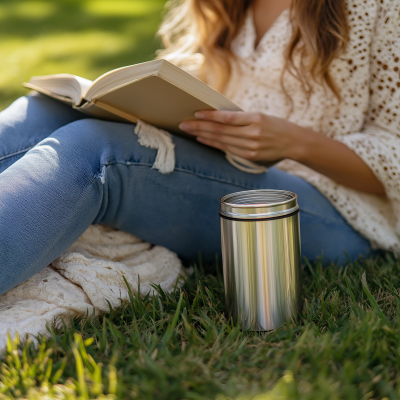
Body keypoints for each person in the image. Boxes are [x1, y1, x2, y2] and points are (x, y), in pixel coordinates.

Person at [0, 0, 398, 296]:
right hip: (228, 168)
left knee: (97, 151)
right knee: (44, 109)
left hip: (340, 213)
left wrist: (295, 142)